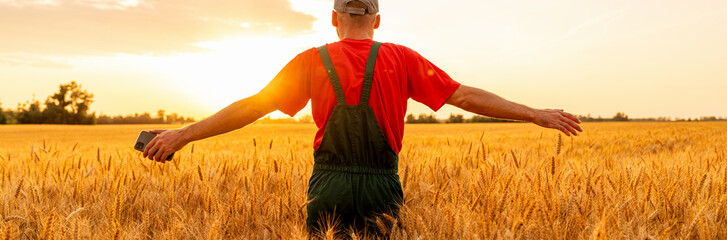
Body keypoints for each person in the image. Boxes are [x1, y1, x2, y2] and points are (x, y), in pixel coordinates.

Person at [143, 0, 583, 238]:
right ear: (377, 20)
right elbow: (463, 95)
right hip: (380, 184)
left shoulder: (310, 61)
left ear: (335, 19)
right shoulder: (402, 58)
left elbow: (252, 107)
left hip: (328, 185)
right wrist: (534, 114)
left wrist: (184, 134)